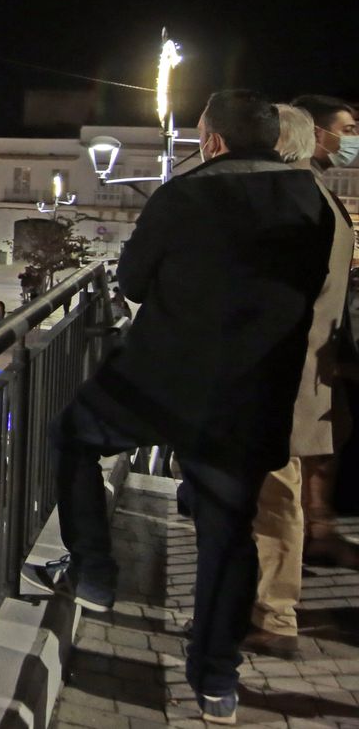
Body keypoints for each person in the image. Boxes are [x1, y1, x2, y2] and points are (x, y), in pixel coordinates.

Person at [24, 90, 332, 725]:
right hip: (254, 394)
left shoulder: (186, 193)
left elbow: (133, 282)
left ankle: (94, 572)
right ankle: (216, 680)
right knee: (229, 533)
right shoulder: (313, 200)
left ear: (212, 141)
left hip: (161, 382)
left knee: (75, 436)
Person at [245, 102, 356, 656]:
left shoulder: (295, 203)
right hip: (300, 373)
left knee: (275, 496)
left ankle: (275, 617)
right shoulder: (322, 201)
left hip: (280, 376)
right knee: (278, 494)